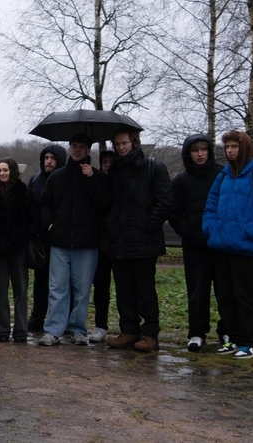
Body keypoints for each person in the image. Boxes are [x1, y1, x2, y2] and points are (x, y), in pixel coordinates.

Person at [203, 130, 253, 359]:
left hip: (245, 250)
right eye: (227, 146)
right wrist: (211, 228)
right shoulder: (223, 177)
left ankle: (250, 343)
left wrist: (248, 232)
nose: (229, 150)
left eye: (234, 146)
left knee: (244, 296)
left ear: (245, 148)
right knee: (225, 296)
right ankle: (234, 339)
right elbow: (210, 206)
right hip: (221, 246)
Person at [38, 135, 110, 347]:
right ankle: (53, 330)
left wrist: (92, 179)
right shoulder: (58, 176)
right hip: (60, 242)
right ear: (69, 149)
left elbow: (105, 204)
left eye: (82, 147)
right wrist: (49, 224)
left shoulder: (97, 176)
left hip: (87, 244)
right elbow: (44, 203)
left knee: (82, 290)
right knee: (57, 289)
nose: (77, 150)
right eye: (74, 146)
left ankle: (78, 329)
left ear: (88, 150)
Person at [105, 129, 172, 352]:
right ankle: (129, 331)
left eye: (124, 143)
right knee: (124, 289)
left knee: (145, 290)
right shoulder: (115, 169)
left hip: (145, 241)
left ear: (133, 142)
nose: (121, 147)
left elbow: (164, 201)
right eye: (117, 144)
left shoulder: (154, 167)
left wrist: (147, 225)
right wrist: (112, 224)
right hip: (119, 239)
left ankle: (150, 334)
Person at [169, 135, 224, 352]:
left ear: (209, 151)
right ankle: (197, 333)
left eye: (203, 149)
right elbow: (174, 212)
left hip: (221, 243)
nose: (200, 154)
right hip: (194, 245)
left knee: (225, 290)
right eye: (195, 150)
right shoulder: (181, 181)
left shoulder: (222, 175)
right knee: (197, 291)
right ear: (188, 154)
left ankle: (227, 330)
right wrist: (189, 233)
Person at [0, 158, 35, 342]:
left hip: (18, 249)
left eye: (5, 170)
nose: (2, 173)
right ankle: (1, 330)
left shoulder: (25, 193)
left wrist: (24, 237)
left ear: (13, 171)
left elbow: (33, 219)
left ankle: (20, 330)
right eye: (0, 170)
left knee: (21, 290)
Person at [26, 143, 66, 333]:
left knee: (60, 283)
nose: (49, 161)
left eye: (52, 158)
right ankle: (37, 317)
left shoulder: (65, 179)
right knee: (40, 282)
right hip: (40, 239)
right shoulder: (35, 180)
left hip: (61, 238)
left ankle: (60, 319)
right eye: (46, 158)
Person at [90, 149, 117, 343]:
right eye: (104, 162)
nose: (108, 165)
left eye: (110, 161)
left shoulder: (122, 181)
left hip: (121, 240)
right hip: (101, 242)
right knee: (100, 286)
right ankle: (101, 325)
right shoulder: (97, 180)